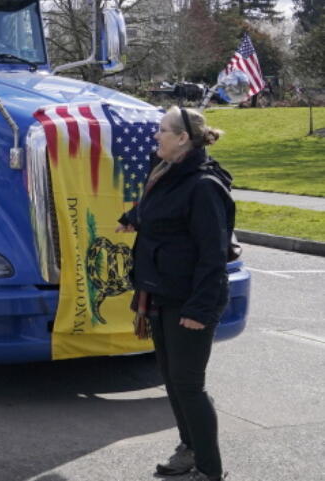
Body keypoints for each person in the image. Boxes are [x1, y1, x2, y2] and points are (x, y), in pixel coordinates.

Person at [118, 107, 233, 481]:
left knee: (189, 385)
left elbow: (212, 254)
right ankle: (189, 450)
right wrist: (133, 218)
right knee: (173, 380)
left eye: (162, 131)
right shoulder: (166, 175)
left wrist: (199, 308)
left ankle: (210, 470)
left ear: (183, 138)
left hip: (191, 300)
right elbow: (162, 213)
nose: (155, 136)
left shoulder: (203, 186)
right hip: (161, 293)